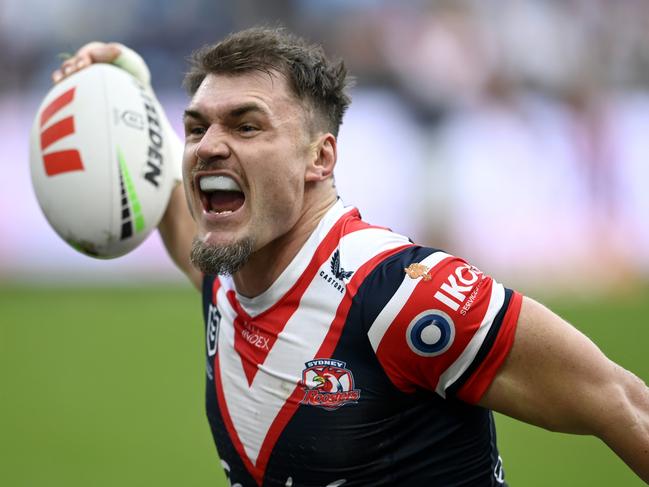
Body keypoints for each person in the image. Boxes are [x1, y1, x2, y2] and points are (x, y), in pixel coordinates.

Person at [52, 28, 649, 486]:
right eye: (196, 126)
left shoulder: (400, 294)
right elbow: (167, 204)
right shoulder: (227, 275)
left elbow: (621, 402)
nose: (209, 146)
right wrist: (124, 81)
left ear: (320, 159)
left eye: (246, 126)